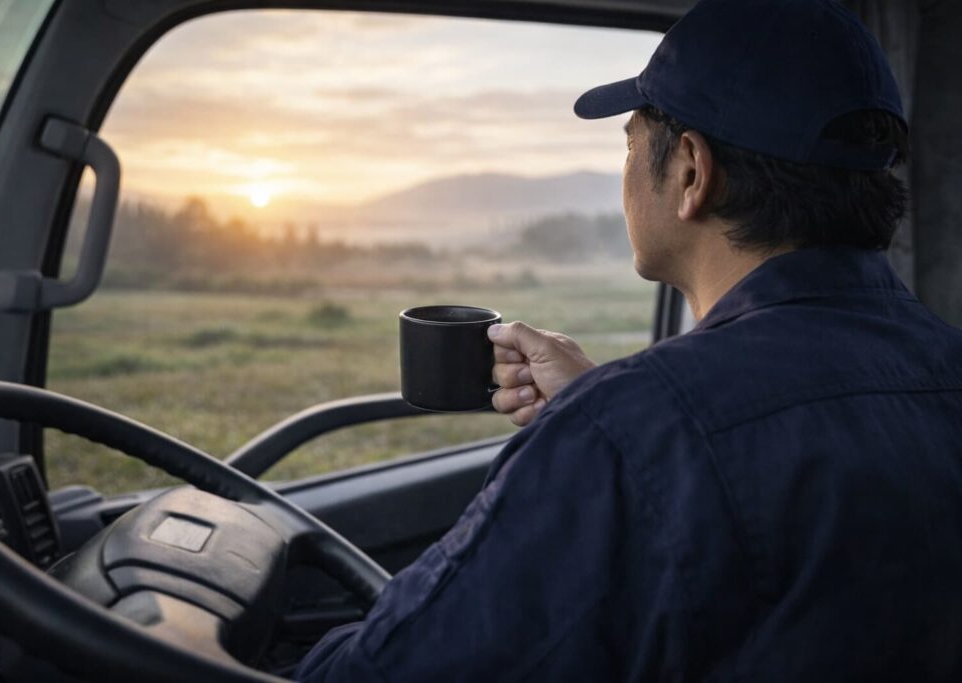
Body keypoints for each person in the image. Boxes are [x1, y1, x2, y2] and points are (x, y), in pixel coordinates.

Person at [295, 0, 962, 680]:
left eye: (631, 142)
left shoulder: (627, 433)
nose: (626, 167)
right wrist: (605, 407)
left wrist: (613, 423)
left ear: (691, 173)